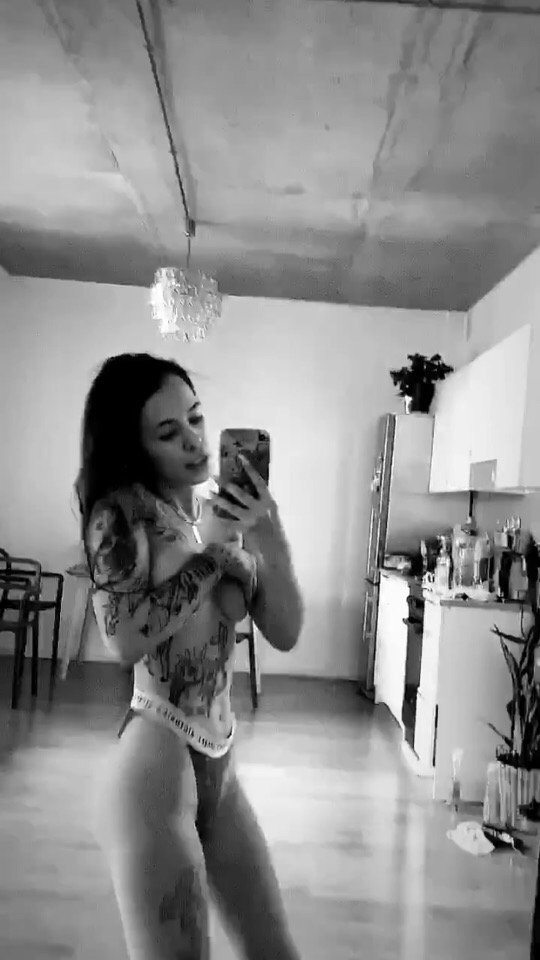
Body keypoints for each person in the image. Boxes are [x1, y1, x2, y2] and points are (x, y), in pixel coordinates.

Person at [76, 353, 304, 960]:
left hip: (221, 767)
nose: (196, 441)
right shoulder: (120, 515)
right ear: (136, 447)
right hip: (156, 765)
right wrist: (214, 559)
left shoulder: (209, 515)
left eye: (197, 419)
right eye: (168, 432)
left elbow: (285, 632)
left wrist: (268, 532)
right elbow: (124, 639)